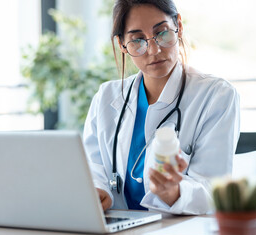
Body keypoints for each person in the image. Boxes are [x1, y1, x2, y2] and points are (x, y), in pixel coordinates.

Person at [83, 0, 240, 215]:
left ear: (179, 26)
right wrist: (99, 190)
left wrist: (175, 192)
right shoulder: (106, 97)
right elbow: (93, 168)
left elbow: (214, 189)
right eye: (137, 40)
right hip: (119, 229)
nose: (154, 49)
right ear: (121, 44)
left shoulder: (216, 95)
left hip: (179, 231)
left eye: (162, 33)